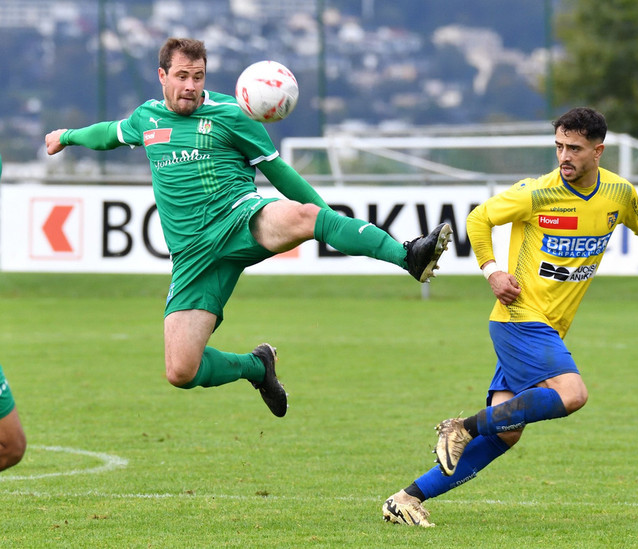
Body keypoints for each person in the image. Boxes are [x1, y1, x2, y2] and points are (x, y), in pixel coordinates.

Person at [45, 38, 452, 417]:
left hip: (240, 218)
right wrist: (67, 136)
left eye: (198, 76)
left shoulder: (233, 114)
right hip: (192, 257)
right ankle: (257, 367)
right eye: (182, 76)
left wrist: (325, 219)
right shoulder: (146, 119)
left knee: (302, 216)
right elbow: (108, 134)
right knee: (181, 370)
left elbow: (280, 174)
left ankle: (408, 255)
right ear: (162, 76)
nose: (190, 86)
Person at [382, 107, 638, 527]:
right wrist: (493, 271)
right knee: (572, 394)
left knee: (507, 432)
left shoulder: (617, 194)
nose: (564, 156)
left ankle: (406, 498)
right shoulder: (536, 192)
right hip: (520, 318)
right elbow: (478, 218)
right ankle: (462, 428)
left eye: (575, 148)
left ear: (598, 151)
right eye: (559, 146)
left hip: (547, 326)